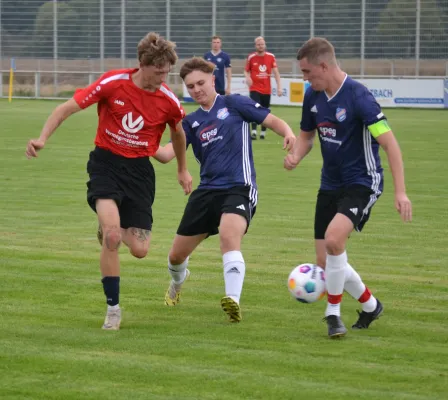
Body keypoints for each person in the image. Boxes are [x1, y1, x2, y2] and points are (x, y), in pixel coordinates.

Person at [25, 32, 192, 331]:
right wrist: (42, 138)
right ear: (142, 64)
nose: (163, 78)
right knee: (113, 236)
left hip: (140, 173)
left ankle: (108, 227)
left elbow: (178, 135)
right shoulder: (113, 83)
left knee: (140, 250)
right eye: (159, 71)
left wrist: (182, 169)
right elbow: (66, 108)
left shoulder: (168, 100)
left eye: (167, 72)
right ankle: (113, 309)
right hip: (106, 165)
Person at [284, 37, 412, 338]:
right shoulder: (313, 95)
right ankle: (371, 305)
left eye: (307, 72)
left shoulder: (359, 97)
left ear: (323, 66)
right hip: (329, 183)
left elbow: (390, 145)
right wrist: (296, 156)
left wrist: (401, 192)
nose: (304, 78)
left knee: (333, 239)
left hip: (362, 182)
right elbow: (306, 137)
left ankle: (333, 314)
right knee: (325, 259)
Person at [153, 57, 296, 323]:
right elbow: (165, 154)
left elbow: (272, 120)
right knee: (176, 256)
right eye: (191, 86)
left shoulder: (234, 104)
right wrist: (140, 140)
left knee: (229, 235)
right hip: (206, 192)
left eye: (201, 83)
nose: (197, 89)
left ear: (213, 79)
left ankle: (233, 300)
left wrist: (288, 131)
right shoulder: (190, 122)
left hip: (239, 187)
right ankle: (178, 283)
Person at [244, 36, 282, 140]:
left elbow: (276, 73)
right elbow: (246, 70)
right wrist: (248, 78)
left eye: (262, 44)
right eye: (258, 44)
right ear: (255, 46)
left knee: (265, 110)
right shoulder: (251, 57)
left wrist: (279, 87)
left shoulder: (271, 57)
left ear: (265, 45)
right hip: (254, 88)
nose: (260, 46)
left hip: (266, 89)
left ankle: (263, 133)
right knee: (255, 108)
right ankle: (254, 132)